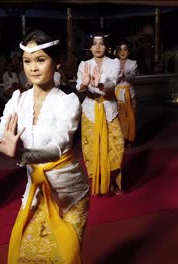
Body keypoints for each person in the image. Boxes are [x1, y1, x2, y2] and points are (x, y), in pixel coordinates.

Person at [0, 29, 89, 263]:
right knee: (25, 255)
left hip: (70, 194)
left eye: (40, 60)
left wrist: (22, 154)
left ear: (56, 63)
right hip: (35, 190)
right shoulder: (17, 100)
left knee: (62, 256)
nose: (33, 68)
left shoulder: (67, 101)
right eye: (27, 61)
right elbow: (0, 142)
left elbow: (58, 147)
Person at [76, 32, 124, 196]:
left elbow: (112, 84)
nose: (97, 47)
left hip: (108, 107)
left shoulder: (114, 63)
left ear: (107, 46)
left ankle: (112, 181)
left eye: (101, 43)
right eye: (94, 43)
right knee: (92, 149)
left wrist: (99, 83)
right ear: (90, 46)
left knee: (117, 147)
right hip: (90, 110)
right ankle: (97, 182)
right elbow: (79, 87)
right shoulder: (84, 64)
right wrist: (83, 84)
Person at [115, 40, 138, 146]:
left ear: (128, 52)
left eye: (125, 49)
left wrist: (125, 75)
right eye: (120, 50)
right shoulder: (114, 63)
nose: (122, 52)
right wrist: (120, 76)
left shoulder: (133, 63)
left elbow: (132, 76)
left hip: (130, 92)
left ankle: (131, 138)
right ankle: (122, 138)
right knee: (120, 116)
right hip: (117, 93)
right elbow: (111, 78)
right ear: (117, 52)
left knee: (131, 115)